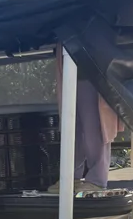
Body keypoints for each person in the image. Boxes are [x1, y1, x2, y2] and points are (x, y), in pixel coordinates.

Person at [49, 44, 122, 193]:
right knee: (71, 129)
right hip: (70, 70)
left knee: (94, 126)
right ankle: (71, 178)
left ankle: (97, 180)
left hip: (94, 72)